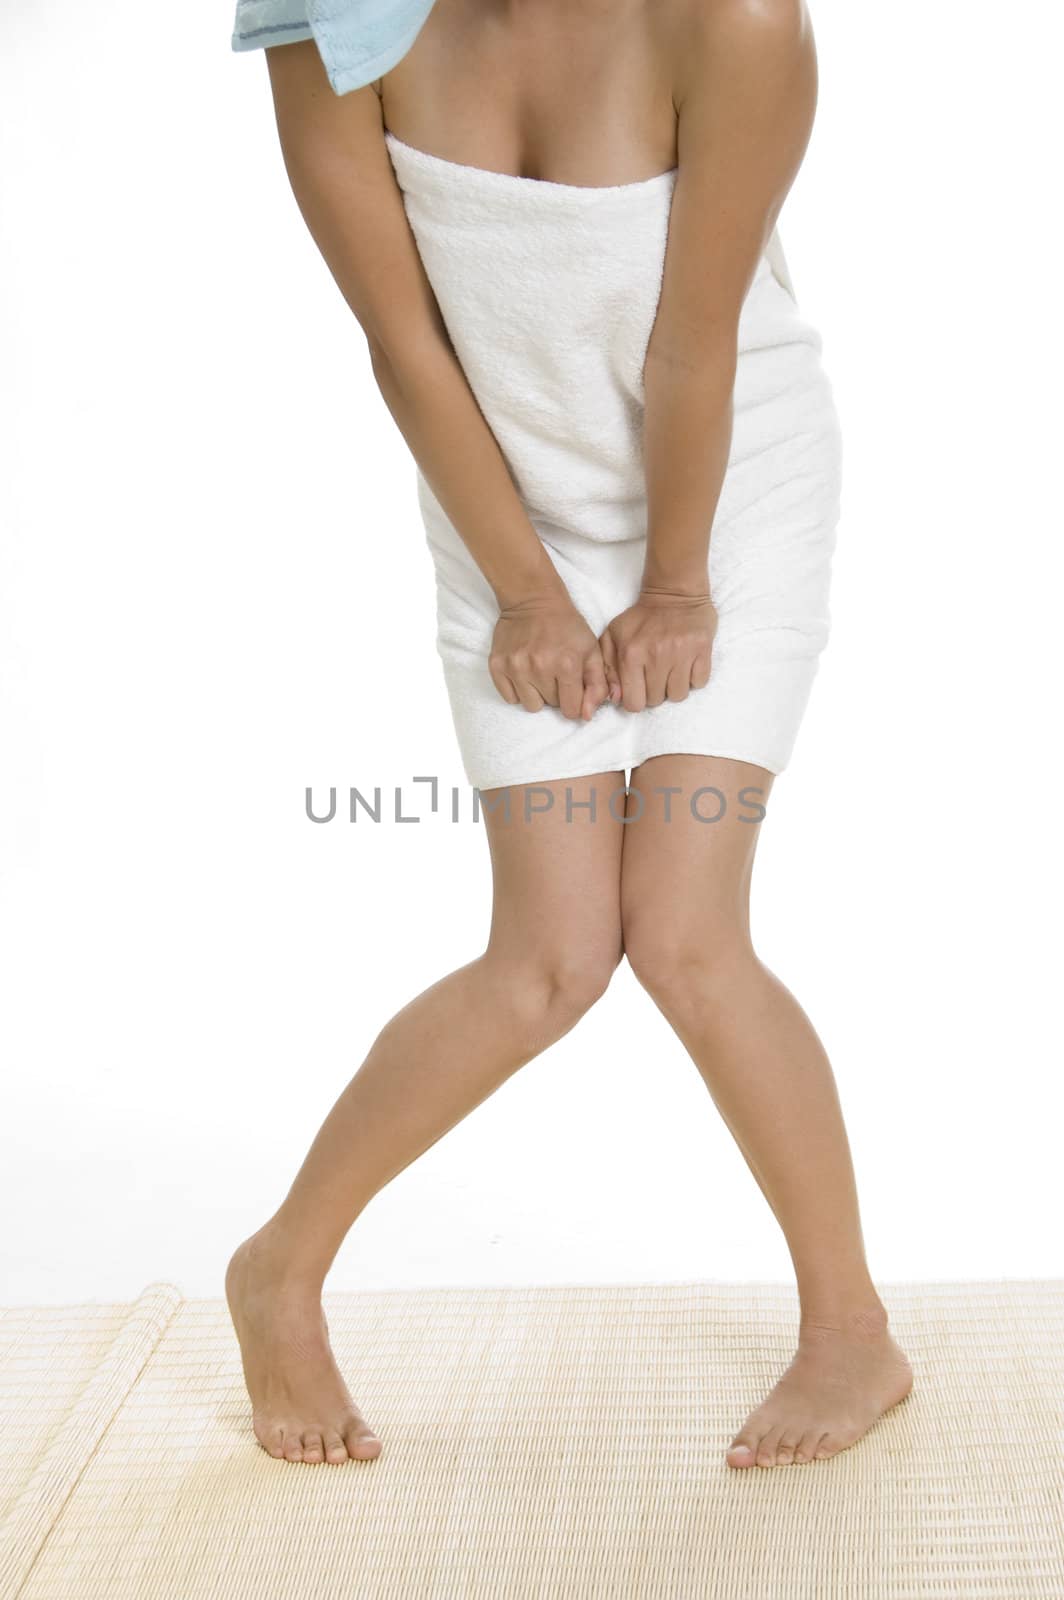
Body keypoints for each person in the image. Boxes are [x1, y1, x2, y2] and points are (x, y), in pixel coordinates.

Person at [225, 0, 914, 1470]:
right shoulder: (330, 25)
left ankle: (852, 1331)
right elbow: (401, 340)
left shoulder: (733, 22)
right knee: (547, 963)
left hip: (724, 489)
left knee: (682, 931)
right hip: (500, 503)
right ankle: (276, 1270)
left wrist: (676, 584)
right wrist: (529, 595)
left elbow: (694, 337)